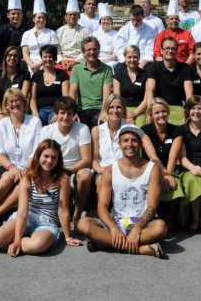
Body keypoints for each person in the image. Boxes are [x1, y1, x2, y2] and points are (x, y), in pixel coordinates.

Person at [0, 139, 82, 254]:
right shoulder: (28, 178)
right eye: (46, 156)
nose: (49, 161)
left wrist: (68, 237)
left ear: (58, 160)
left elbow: (62, 210)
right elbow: (22, 211)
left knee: (37, 245)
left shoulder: (62, 178)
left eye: (54, 157)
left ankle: (2, 243)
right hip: (27, 217)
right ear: (38, 156)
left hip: (47, 223)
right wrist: (17, 239)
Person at [77, 124, 168, 258]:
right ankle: (140, 249)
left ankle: (105, 242)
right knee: (83, 224)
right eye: (125, 140)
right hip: (116, 220)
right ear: (119, 144)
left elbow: (152, 206)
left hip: (142, 222)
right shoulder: (109, 170)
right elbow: (102, 206)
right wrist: (114, 228)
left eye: (134, 140)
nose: (129, 144)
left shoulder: (152, 168)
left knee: (161, 227)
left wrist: (137, 230)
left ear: (141, 144)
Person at [0, 89, 42, 229]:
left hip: (29, 167)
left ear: (24, 103)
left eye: (18, 100)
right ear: (6, 105)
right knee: (7, 177)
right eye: (11, 101)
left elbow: (36, 151)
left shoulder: (35, 122)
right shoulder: (1, 125)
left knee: (23, 182)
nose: (15, 104)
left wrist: (26, 169)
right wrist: (12, 167)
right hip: (6, 167)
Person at [34, 96, 92, 230]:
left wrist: (69, 170)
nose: (66, 117)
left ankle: (77, 213)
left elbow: (87, 159)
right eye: (62, 113)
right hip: (52, 167)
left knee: (86, 174)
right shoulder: (47, 130)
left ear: (73, 114)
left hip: (75, 170)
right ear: (56, 114)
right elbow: (42, 156)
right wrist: (58, 168)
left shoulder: (82, 129)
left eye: (69, 113)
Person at [171, 95, 201, 234]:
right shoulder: (181, 130)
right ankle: (195, 219)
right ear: (188, 110)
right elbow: (182, 157)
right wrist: (192, 168)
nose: (196, 112)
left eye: (200, 108)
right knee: (193, 180)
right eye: (193, 108)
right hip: (189, 168)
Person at [141, 98, 184, 230]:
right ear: (151, 115)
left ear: (168, 112)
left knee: (174, 185)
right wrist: (163, 174)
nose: (161, 115)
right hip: (150, 169)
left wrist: (168, 175)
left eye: (164, 111)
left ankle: (169, 218)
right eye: (157, 113)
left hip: (170, 169)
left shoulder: (176, 130)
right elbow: (152, 156)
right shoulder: (145, 130)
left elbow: (173, 157)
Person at [145, 36, 194, 125]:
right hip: (159, 107)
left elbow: (189, 93)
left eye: (173, 48)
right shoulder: (153, 67)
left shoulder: (185, 68)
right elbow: (150, 90)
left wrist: (188, 113)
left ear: (177, 50)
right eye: (167, 48)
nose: (170, 51)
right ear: (161, 50)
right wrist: (149, 112)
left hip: (178, 108)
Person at [69, 36, 113, 127]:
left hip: (98, 109)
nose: (92, 52)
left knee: (98, 128)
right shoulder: (76, 69)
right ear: (83, 53)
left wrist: (103, 113)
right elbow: (72, 91)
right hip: (81, 109)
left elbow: (107, 94)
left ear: (99, 50)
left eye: (94, 49)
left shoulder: (107, 69)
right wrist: (73, 112)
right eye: (88, 50)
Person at [91, 94, 128, 191]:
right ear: (107, 109)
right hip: (102, 171)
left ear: (124, 110)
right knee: (101, 181)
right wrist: (101, 170)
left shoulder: (130, 129)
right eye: (111, 107)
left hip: (124, 171)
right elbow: (94, 160)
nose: (115, 111)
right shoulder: (96, 130)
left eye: (119, 107)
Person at [29, 45, 69, 126]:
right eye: (45, 57)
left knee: (55, 126)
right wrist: (35, 114)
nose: (47, 59)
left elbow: (65, 97)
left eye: (50, 56)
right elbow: (32, 98)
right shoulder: (36, 75)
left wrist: (59, 113)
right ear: (41, 58)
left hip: (56, 110)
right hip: (40, 110)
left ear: (54, 58)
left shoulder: (62, 74)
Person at [0, 0, 28, 71]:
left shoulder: (28, 29)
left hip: (24, 64)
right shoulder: (2, 30)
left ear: (22, 14)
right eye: (13, 13)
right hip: (5, 64)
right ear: (8, 15)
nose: (16, 16)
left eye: (18, 13)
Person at [0, 46, 32, 124]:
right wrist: (0, 113)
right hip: (2, 110)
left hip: (18, 109)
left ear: (19, 58)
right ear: (5, 57)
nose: (12, 58)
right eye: (9, 55)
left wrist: (15, 111)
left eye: (15, 56)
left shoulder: (25, 74)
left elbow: (23, 96)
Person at [21, 0, 59, 75]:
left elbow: (53, 51)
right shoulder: (26, 34)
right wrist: (32, 66)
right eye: (39, 17)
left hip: (47, 64)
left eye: (43, 18)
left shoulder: (51, 33)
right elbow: (25, 54)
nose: (41, 20)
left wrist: (40, 64)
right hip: (31, 66)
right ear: (33, 19)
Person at [113, 45, 148, 127]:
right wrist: (125, 115)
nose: (132, 60)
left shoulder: (145, 75)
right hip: (121, 109)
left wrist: (134, 114)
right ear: (125, 58)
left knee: (140, 130)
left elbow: (147, 99)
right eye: (129, 57)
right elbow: (117, 97)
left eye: (135, 57)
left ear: (139, 58)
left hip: (140, 110)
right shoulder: (118, 75)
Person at [153, 0, 195, 65]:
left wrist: (186, 67)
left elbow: (193, 52)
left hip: (184, 66)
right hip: (165, 67)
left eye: (176, 19)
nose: (174, 21)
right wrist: (166, 66)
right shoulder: (161, 35)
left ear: (179, 20)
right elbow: (157, 54)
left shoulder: (187, 34)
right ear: (166, 21)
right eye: (171, 19)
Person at [56, 0, 92, 73]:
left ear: (79, 17)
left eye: (75, 15)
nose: (72, 16)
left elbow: (87, 49)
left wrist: (75, 62)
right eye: (70, 14)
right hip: (62, 61)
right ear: (65, 16)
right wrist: (61, 60)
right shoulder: (59, 31)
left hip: (79, 61)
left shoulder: (85, 32)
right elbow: (57, 49)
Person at [114, 4, 156, 69]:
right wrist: (128, 62)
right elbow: (120, 49)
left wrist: (141, 65)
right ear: (129, 16)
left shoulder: (150, 31)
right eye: (133, 20)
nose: (135, 23)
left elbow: (150, 51)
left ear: (143, 16)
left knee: (151, 69)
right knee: (118, 68)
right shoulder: (123, 31)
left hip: (143, 61)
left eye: (138, 20)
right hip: (127, 61)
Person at [93, 3, 118, 72]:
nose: (106, 21)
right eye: (104, 19)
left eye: (108, 19)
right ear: (100, 21)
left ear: (111, 22)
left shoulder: (116, 35)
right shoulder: (94, 34)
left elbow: (115, 54)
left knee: (109, 67)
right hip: (96, 59)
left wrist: (104, 61)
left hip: (111, 60)